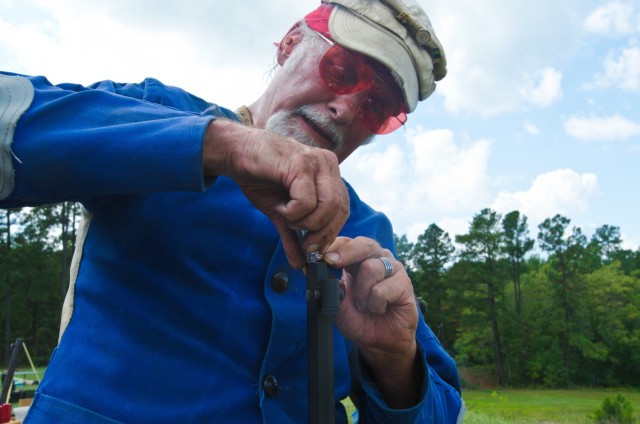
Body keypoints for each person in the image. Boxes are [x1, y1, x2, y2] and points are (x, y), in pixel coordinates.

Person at [0, 0, 464, 422]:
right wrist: (218, 145)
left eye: (376, 107)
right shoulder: (160, 113)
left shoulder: (367, 233)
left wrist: (395, 361)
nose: (345, 107)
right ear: (290, 43)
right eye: (341, 71)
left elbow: (441, 410)